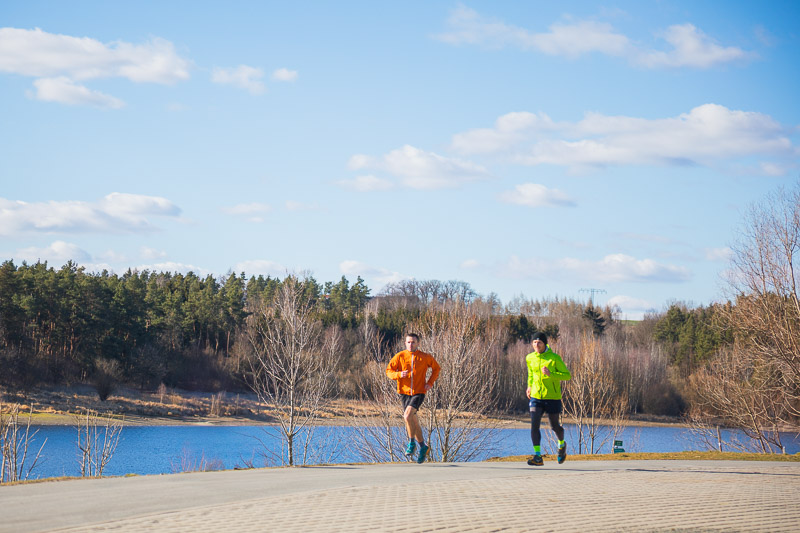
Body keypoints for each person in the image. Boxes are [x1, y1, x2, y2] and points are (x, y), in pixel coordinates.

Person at [386, 333, 441, 464]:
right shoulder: (400, 356)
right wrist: (399, 374)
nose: (411, 344)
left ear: (418, 343)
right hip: (404, 392)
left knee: (407, 416)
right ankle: (423, 447)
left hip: (419, 392)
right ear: (405, 343)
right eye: (409, 342)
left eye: (413, 342)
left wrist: (430, 382)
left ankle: (411, 443)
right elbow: (389, 371)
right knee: (413, 420)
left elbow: (436, 368)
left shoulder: (425, 357)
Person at [525, 331, 571, 466]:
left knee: (554, 426)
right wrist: (529, 386)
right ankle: (538, 457)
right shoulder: (530, 358)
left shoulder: (554, 358)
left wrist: (551, 374)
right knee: (534, 425)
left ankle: (561, 445)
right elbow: (531, 375)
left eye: (539, 342)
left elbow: (567, 375)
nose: (536, 344)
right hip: (536, 396)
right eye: (534, 342)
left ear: (545, 343)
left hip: (552, 397)